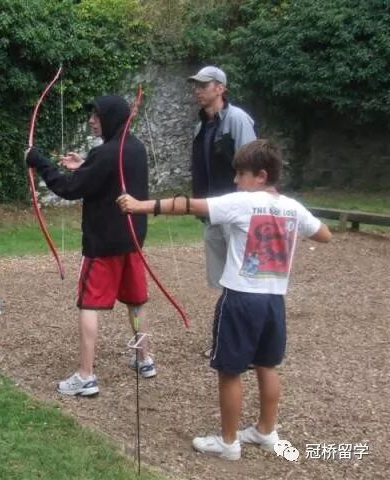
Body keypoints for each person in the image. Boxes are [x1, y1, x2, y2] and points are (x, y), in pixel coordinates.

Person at [117, 139, 332, 460]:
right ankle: (266, 431)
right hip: (274, 302)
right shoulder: (292, 207)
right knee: (267, 365)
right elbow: (325, 234)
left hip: (241, 300)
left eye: (241, 174)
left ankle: (229, 443)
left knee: (230, 371)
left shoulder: (242, 202)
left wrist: (139, 206)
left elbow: (188, 205)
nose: (235, 180)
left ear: (261, 176)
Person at [26, 95, 155, 397]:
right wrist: (84, 165)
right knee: (136, 300)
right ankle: (144, 359)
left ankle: (85, 376)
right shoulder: (135, 147)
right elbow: (112, 178)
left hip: (104, 243)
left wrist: (38, 160)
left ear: (111, 118)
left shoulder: (105, 152)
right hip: (132, 239)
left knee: (89, 304)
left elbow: (69, 189)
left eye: (97, 115)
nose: (91, 120)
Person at [188, 65, 257, 358]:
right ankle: (229, 342)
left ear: (220, 88)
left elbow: (253, 165)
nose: (197, 90)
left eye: (203, 85)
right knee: (225, 281)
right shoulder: (201, 126)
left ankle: (248, 347)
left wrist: (246, 209)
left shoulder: (238, 120)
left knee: (244, 279)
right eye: (196, 85)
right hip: (213, 213)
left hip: (237, 214)